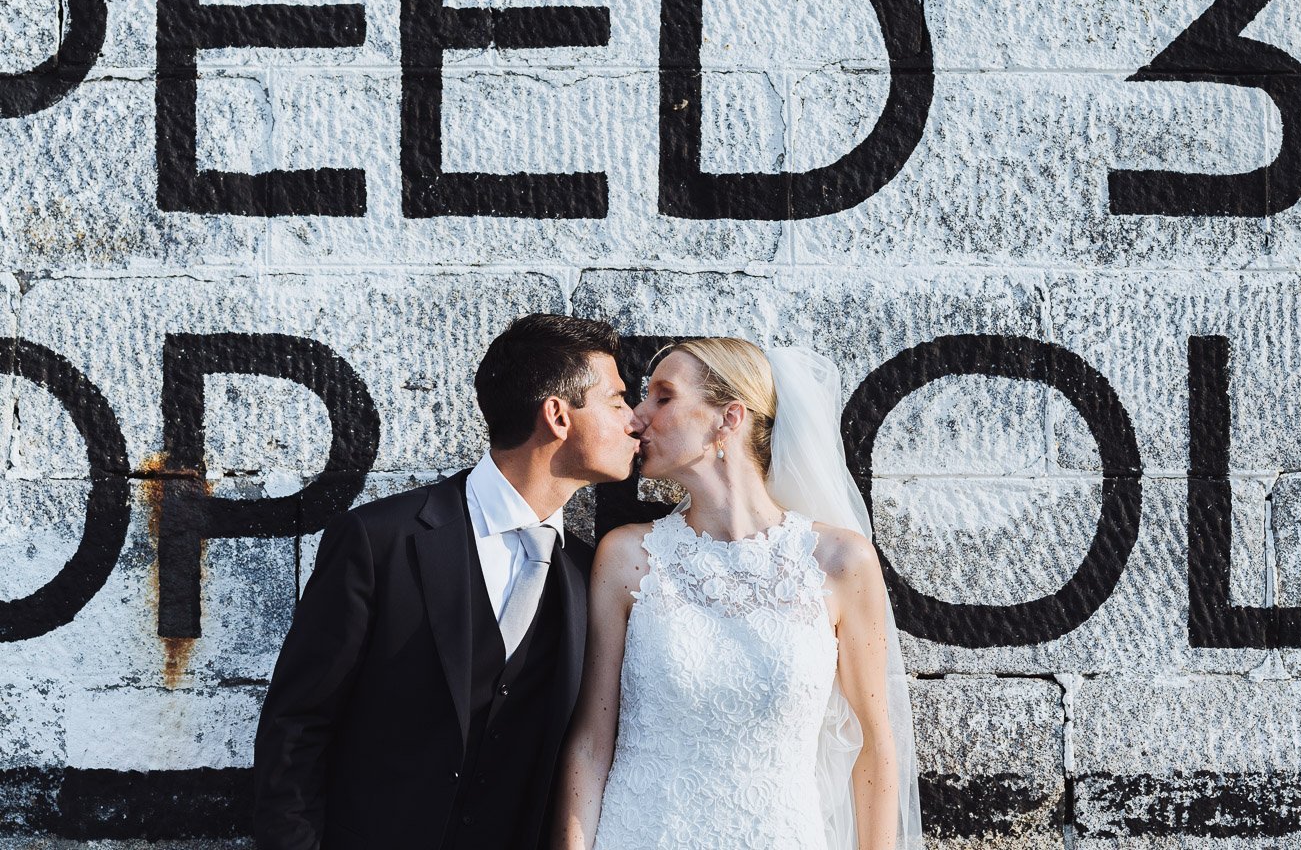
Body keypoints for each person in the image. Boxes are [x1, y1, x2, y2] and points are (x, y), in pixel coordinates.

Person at [253, 314, 640, 850]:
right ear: (558, 415)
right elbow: (295, 728)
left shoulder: (586, 570)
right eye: (617, 401)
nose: (634, 421)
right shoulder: (379, 541)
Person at [554, 338, 924, 850]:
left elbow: (875, 746)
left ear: (729, 418)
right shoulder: (627, 557)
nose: (636, 419)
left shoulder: (841, 562)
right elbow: (591, 745)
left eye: (663, 397)